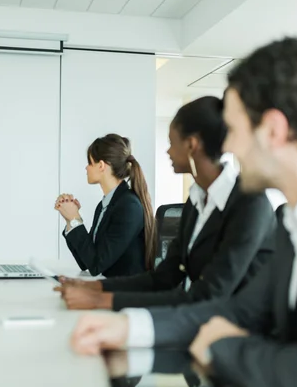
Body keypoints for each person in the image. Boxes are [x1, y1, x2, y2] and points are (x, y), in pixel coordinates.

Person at [70, 37, 297, 387]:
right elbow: (242, 310)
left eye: (233, 130)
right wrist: (130, 327)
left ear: (274, 131)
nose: (226, 146)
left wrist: (219, 347)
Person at [55, 96, 275, 310]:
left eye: (172, 143)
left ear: (192, 144)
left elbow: (210, 294)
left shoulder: (250, 204)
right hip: (200, 321)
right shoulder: (195, 202)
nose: (168, 151)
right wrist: (93, 287)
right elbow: (163, 278)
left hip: (236, 332)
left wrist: (101, 300)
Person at [55, 134, 155, 278]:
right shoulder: (105, 205)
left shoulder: (129, 206)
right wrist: (71, 220)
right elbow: (86, 262)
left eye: (90, 163)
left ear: (101, 165)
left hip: (126, 294)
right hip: (111, 288)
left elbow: (96, 265)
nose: (86, 168)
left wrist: (75, 219)